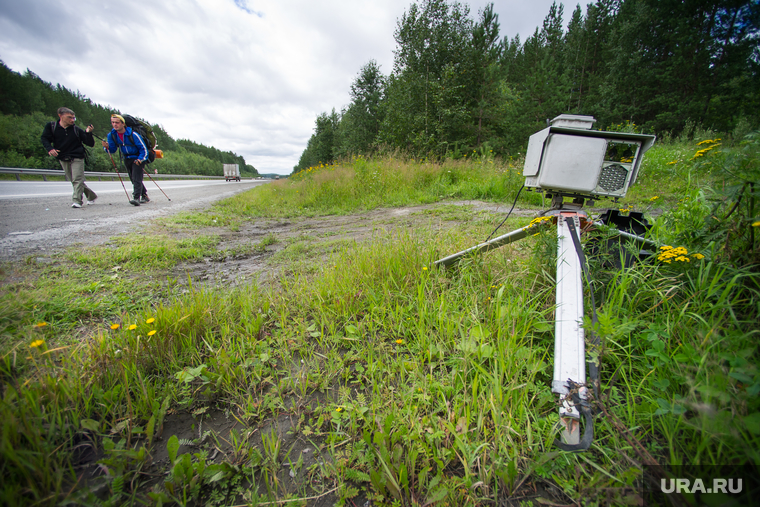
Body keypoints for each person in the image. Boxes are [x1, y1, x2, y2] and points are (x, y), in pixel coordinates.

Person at [40, 107, 98, 208]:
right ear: (60, 116)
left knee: (77, 179)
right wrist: (50, 148)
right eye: (69, 117)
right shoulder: (51, 127)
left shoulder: (76, 130)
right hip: (62, 156)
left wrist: (88, 133)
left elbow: (90, 143)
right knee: (74, 180)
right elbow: (44, 138)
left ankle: (77, 201)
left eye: (73, 118)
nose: (72, 120)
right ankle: (91, 195)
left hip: (77, 157)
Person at [102, 114, 150, 206]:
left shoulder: (133, 134)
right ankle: (144, 195)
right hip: (126, 158)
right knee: (133, 179)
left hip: (137, 158)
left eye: (117, 122)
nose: (115, 124)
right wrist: (106, 147)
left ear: (123, 123)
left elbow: (143, 149)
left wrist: (140, 159)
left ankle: (136, 198)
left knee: (136, 178)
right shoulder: (112, 135)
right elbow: (112, 150)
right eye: (113, 122)